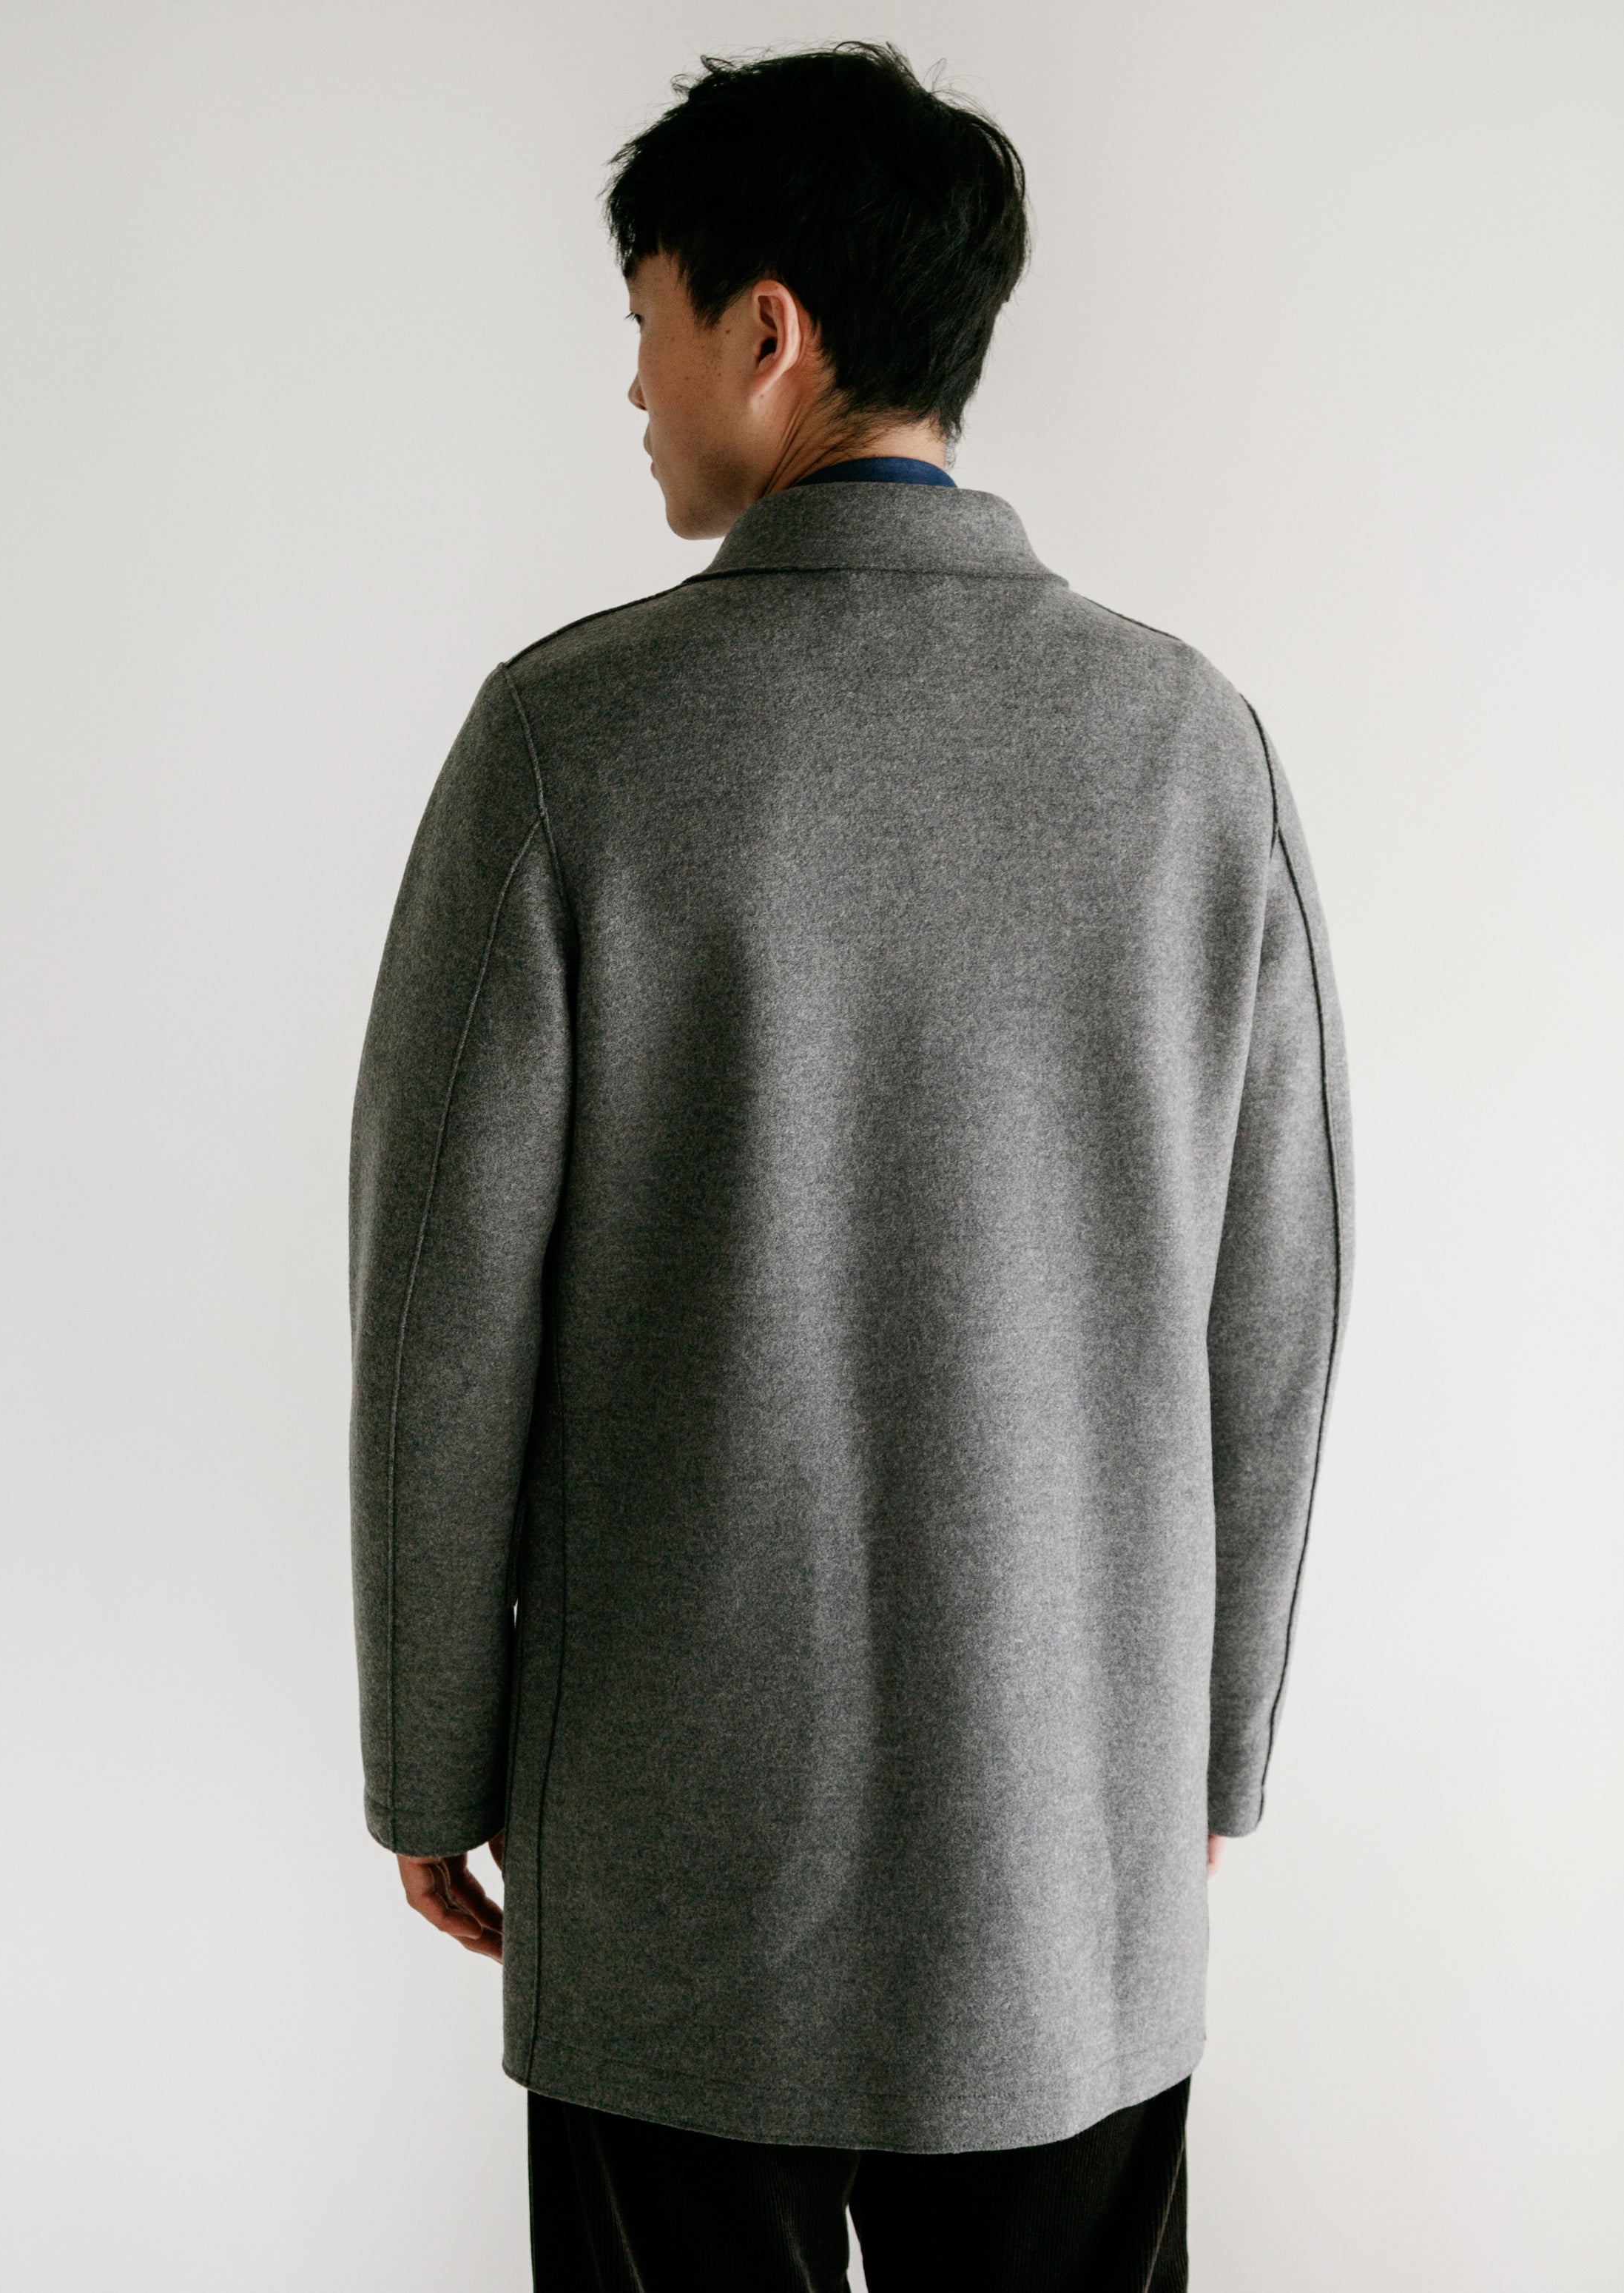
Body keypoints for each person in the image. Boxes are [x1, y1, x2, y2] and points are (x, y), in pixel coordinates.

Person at [348, 42, 1352, 2292]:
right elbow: (1276, 1311)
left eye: (646, 319)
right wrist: (1206, 1758)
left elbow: (437, 1313)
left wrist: (432, 1759)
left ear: (767, 330)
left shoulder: (571, 743)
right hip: (1066, 1861)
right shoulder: (1190, 749)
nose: (632, 383)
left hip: (669, 1851)